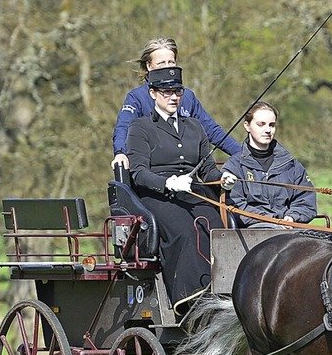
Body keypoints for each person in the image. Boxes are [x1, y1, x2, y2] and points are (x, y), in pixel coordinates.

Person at [125, 66, 237, 312]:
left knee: (217, 227)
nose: (173, 97)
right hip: (156, 196)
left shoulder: (195, 127)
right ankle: (190, 298)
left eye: (177, 91)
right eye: (166, 92)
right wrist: (167, 182)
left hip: (192, 191)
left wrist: (222, 179)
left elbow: (207, 169)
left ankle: (223, 290)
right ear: (153, 94)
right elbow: (139, 172)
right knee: (186, 231)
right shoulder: (141, 127)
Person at [112, 37, 240, 169]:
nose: (167, 68)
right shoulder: (136, 98)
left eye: (171, 62)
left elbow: (212, 131)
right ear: (149, 66)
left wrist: (242, 155)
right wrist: (120, 153)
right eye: (161, 63)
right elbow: (123, 128)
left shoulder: (188, 97)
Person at [222, 101, 317, 228]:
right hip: (254, 232)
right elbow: (234, 205)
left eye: (271, 125)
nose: (267, 130)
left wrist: (293, 217)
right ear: (247, 126)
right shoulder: (234, 166)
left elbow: (306, 201)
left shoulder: (291, 165)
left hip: (291, 229)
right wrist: (273, 221)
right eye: (261, 124)